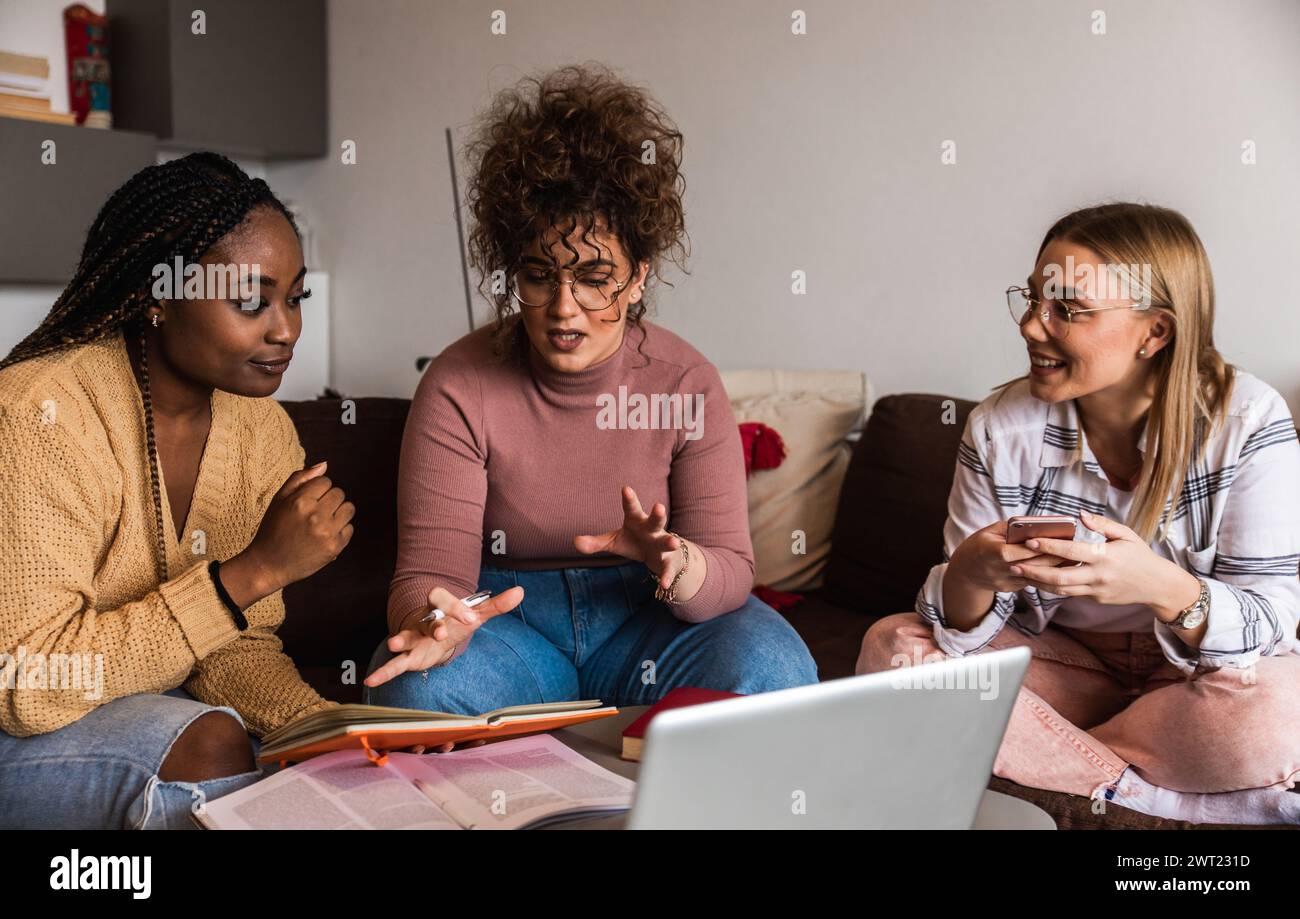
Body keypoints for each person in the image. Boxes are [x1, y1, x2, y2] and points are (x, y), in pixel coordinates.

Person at [363, 64, 817, 719]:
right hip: (511, 630)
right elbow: (426, 576)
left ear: (639, 277)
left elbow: (730, 572)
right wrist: (436, 619)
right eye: (540, 274)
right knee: (414, 687)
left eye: (596, 277)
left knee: (778, 670)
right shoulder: (459, 384)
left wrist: (676, 563)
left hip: (651, 622)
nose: (564, 308)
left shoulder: (687, 381)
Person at [857, 203, 1300, 825]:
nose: (1032, 328)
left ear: (1156, 333)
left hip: (1195, 683)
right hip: (1066, 672)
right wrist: (971, 576)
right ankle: (1167, 798)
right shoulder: (998, 429)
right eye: (1034, 299)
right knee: (892, 652)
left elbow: (1275, 620)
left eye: (1069, 310)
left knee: (1281, 717)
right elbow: (960, 633)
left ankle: (1055, 762)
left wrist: (1159, 586)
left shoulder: (1249, 423)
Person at [0, 153, 354, 828]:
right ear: (159, 293)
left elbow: (233, 645)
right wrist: (246, 574)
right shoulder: (39, 415)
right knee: (216, 745)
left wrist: (326, 731)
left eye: (295, 297)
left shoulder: (263, 432)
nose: (286, 330)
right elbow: (28, 684)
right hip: (17, 726)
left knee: (300, 764)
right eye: (251, 300)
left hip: (145, 718)